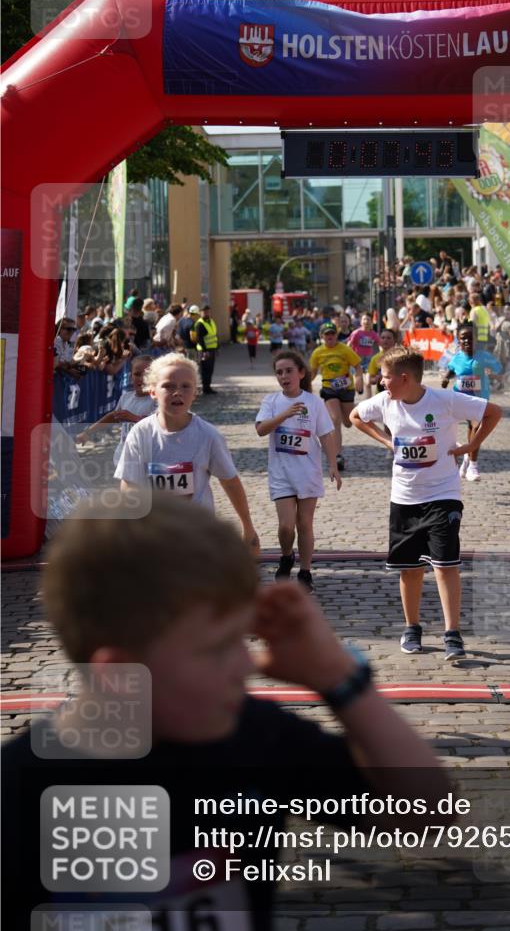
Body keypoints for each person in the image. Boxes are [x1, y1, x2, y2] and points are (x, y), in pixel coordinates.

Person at [2, 491, 448, 929]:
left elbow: (426, 813)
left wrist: (340, 679)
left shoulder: (254, 736)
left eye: (241, 638)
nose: (246, 665)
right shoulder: (20, 796)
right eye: (216, 649)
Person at [350, 346, 502, 660]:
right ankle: (412, 628)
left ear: (404, 378)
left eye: (386, 376)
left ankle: (452, 634)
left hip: (443, 494)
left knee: (446, 566)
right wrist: (386, 441)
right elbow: (355, 417)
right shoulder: (385, 402)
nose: (381, 382)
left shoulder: (445, 400)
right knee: (410, 569)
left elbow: (493, 412)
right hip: (404, 496)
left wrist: (471, 446)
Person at [116, 353, 259, 554]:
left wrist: (248, 526)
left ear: (195, 393)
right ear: (153, 391)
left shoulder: (208, 435)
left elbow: (230, 482)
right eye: (168, 386)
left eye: (185, 386)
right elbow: (130, 484)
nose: (177, 392)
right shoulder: (140, 433)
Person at [256, 350, 342, 591]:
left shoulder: (314, 402)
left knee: (304, 524)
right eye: (279, 372)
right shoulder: (271, 401)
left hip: (308, 472)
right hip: (281, 473)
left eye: (289, 371)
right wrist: (284, 414)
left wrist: (333, 465)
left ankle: (305, 571)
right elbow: (261, 430)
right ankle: (286, 556)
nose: (284, 376)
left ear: (301, 373)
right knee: (286, 526)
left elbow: (326, 435)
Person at [439, 325, 503, 482]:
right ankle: (466, 455)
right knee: (458, 426)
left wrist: (493, 373)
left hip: (479, 398)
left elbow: (499, 369)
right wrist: (446, 378)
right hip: (459, 398)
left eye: (470, 338)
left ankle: (473, 465)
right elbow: (452, 370)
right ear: (459, 341)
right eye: (463, 338)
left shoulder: (484, 356)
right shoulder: (457, 357)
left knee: (475, 426)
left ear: (476, 340)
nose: (467, 341)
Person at [76, 355, 155, 461]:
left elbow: (159, 424)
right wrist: (87, 433)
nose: (142, 378)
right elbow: (113, 417)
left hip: (147, 457)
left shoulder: (158, 400)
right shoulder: (126, 397)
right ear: (130, 376)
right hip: (123, 456)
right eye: (137, 374)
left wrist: (134, 418)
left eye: (147, 374)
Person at [310, 322, 363, 472]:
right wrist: (304, 386)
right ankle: (337, 456)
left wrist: (359, 379)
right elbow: (312, 372)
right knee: (334, 420)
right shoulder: (317, 353)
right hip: (329, 389)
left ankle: (352, 413)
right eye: (327, 334)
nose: (330, 336)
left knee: (348, 422)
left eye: (332, 333)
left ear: (336, 335)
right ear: (321, 336)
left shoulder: (345, 349)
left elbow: (357, 366)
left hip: (346, 389)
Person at [348, 313, 382, 397]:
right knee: (358, 385)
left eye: (368, 320)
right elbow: (348, 345)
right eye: (364, 319)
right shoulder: (356, 333)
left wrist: (383, 354)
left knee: (368, 382)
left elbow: (380, 344)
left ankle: (369, 401)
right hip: (357, 361)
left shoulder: (373, 334)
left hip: (368, 360)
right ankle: (359, 387)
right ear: (361, 322)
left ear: (371, 322)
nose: (366, 321)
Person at [195, 303, 219, 394]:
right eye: (204, 312)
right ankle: (205, 388)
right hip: (204, 350)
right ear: (200, 313)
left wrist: (217, 347)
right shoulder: (200, 324)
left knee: (210, 369)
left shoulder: (211, 321)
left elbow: (214, 335)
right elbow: (200, 338)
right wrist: (205, 351)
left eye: (208, 312)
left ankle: (208, 387)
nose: (206, 313)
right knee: (205, 369)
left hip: (212, 349)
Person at [368, 328, 399, 393]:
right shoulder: (375, 358)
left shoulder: (400, 356)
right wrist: (377, 378)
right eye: (383, 338)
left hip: (398, 393)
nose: (385, 340)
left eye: (388, 338)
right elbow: (371, 380)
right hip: (381, 393)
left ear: (395, 340)